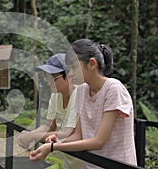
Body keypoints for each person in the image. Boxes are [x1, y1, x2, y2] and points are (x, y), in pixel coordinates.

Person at [29, 38, 137, 169]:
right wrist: (60, 141)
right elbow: (78, 135)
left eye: (74, 67)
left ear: (92, 64)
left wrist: (53, 147)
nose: (71, 74)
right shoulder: (81, 91)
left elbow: (98, 141)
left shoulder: (113, 89)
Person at [18, 53, 82, 169]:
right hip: (68, 159)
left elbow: (69, 134)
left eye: (53, 78)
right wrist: (30, 134)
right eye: (47, 78)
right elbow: (49, 125)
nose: (49, 82)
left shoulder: (79, 95)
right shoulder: (56, 95)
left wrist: (33, 137)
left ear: (68, 76)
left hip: (85, 161)